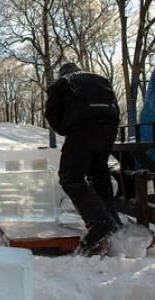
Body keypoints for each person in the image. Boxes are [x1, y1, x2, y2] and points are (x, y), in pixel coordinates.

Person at [45, 62, 123, 256]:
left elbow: (51, 114)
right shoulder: (100, 80)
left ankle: (100, 223)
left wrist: (65, 129)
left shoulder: (61, 83)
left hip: (83, 128)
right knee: (99, 173)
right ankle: (113, 221)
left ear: (63, 73)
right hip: (110, 127)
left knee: (70, 177)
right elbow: (115, 107)